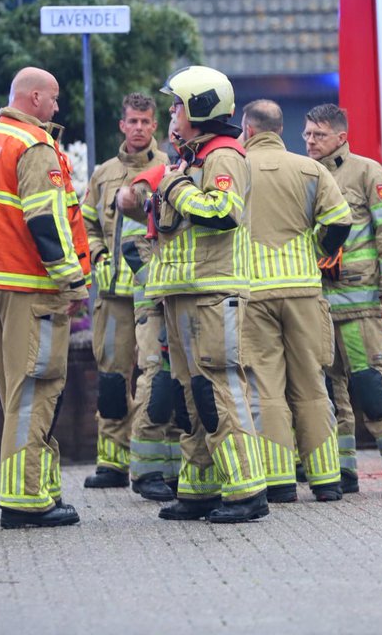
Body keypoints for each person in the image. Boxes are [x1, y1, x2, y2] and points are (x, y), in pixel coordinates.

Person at [116, 65, 268, 524]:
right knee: (192, 395)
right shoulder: (191, 157)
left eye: (179, 104)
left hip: (210, 292)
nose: (171, 112)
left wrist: (175, 187)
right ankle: (199, 490)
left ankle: (247, 492)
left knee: (219, 390)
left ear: (200, 108)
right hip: (181, 292)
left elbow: (223, 213)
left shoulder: (223, 156)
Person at [0, 67, 90, 529]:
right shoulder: (32, 145)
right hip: (31, 287)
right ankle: (26, 499)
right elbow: (46, 220)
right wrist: (73, 282)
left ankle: (38, 490)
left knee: (16, 390)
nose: (57, 107)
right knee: (36, 389)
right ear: (33, 98)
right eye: (53, 99)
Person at [302, 104, 382, 495]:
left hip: (359, 304)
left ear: (341, 137)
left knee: (372, 383)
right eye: (306, 134)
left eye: (318, 135)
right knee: (327, 392)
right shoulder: (304, 175)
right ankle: (342, 471)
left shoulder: (367, 171)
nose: (309, 141)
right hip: (318, 305)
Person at [240, 99, 351, 503]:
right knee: (312, 385)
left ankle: (279, 482)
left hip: (253, 293)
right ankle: (326, 480)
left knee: (265, 388)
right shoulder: (310, 169)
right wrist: (320, 249)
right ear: (281, 129)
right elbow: (340, 220)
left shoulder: (234, 168)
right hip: (304, 289)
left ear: (248, 130)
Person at [81, 94, 168, 489]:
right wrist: (98, 256)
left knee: (156, 374)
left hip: (155, 292)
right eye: (131, 121)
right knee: (113, 379)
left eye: (144, 122)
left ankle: (151, 459)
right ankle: (111, 462)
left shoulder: (168, 168)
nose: (138, 128)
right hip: (114, 293)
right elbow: (84, 224)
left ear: (155, 126)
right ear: (122, 125)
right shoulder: (103, 174)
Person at [125, 117, 187, 501]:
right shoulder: (158, 178)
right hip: (155, 300)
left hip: (185, 298)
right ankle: (146, 471)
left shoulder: (198, 178)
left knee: (183, 385)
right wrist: (158, 286)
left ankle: (176, 470)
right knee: (157, 381)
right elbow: (133, 246)